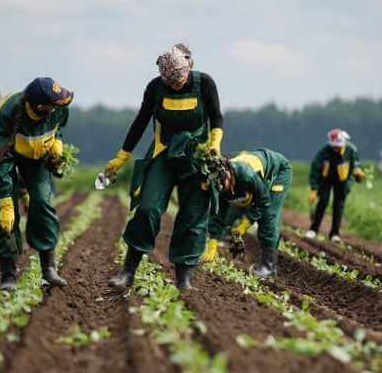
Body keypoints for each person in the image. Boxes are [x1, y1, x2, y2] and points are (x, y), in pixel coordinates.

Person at [106, 45, 224, 290]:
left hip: (197, 158)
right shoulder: (155, 87)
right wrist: (122, 156)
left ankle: (184, 278)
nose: (176, 87)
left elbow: (216, 117)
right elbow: (140, 121)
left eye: (179, 82)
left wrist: (215, 145)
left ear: (188, 67)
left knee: (192, 216)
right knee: (148, 208)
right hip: (163, 153)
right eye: (171, 83)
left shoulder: (205, 84)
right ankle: (128, 271)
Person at [0, 77, 74, 290]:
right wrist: (5, 201)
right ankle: (8, 274)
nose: (59, 106)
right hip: (3, 158)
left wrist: (57, 145)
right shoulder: (4, 117)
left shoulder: (58, 107)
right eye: (53, 104)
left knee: (43, 203)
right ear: (40, 106)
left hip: (36, 157)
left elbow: (57, 128)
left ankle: (49, 268)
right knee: (8, 216)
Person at [201, 148, 292, 277]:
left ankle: (269, 267)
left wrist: (245, 223)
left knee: (268, 216)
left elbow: (263, 200)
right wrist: (213, 243)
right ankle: (226, 237)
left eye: (224, 185)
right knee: (233, 210)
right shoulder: (221, 184)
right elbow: (219, 214)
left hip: (279, 172)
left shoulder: (247, 175)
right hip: (255, 179)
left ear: (227, 175)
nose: (223, 188)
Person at [307, 128, 365, 242]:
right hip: (326, 179)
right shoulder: (325, 150)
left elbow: (356, 166)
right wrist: (314, 189)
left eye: (337, 146)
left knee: (338, 206)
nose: (335, 148)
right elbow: (315, 168)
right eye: (333, 146)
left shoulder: (351, 150)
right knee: (323, 202)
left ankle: (334, 234)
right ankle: (313, 230)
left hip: (342, 181)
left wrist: (357, 173)